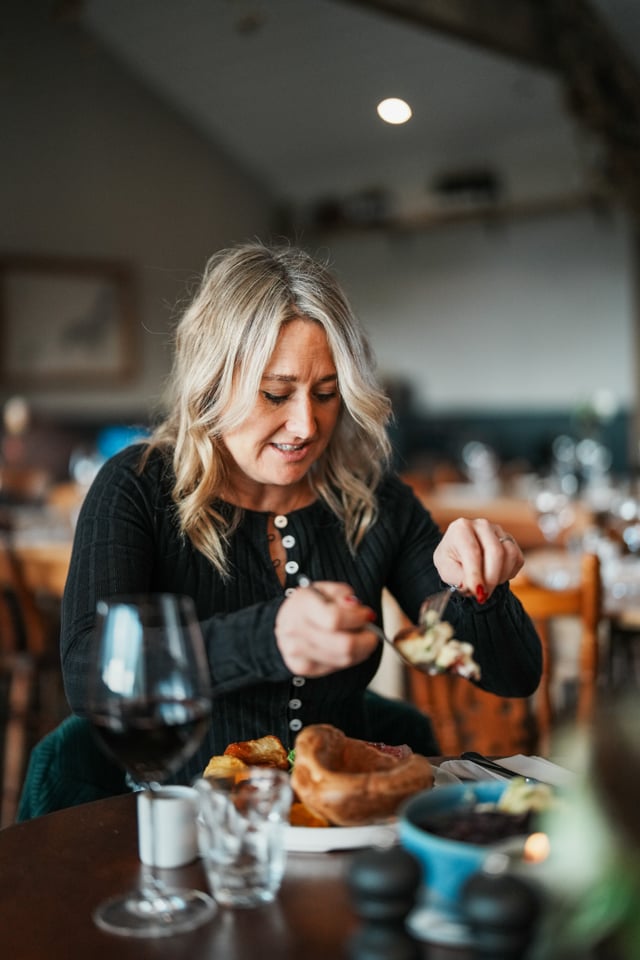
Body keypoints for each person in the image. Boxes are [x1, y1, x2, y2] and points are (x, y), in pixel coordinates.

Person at [55, 240, 540, 792]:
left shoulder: (373, 499)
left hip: (348, 821)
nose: (307, 425)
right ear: (213, 384)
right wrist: (269, 637)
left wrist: (480, 588)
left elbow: (514, 677)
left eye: (327, 393)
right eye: (275, 394)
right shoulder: (136, 488)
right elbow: (87, 672)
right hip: (192, 822)